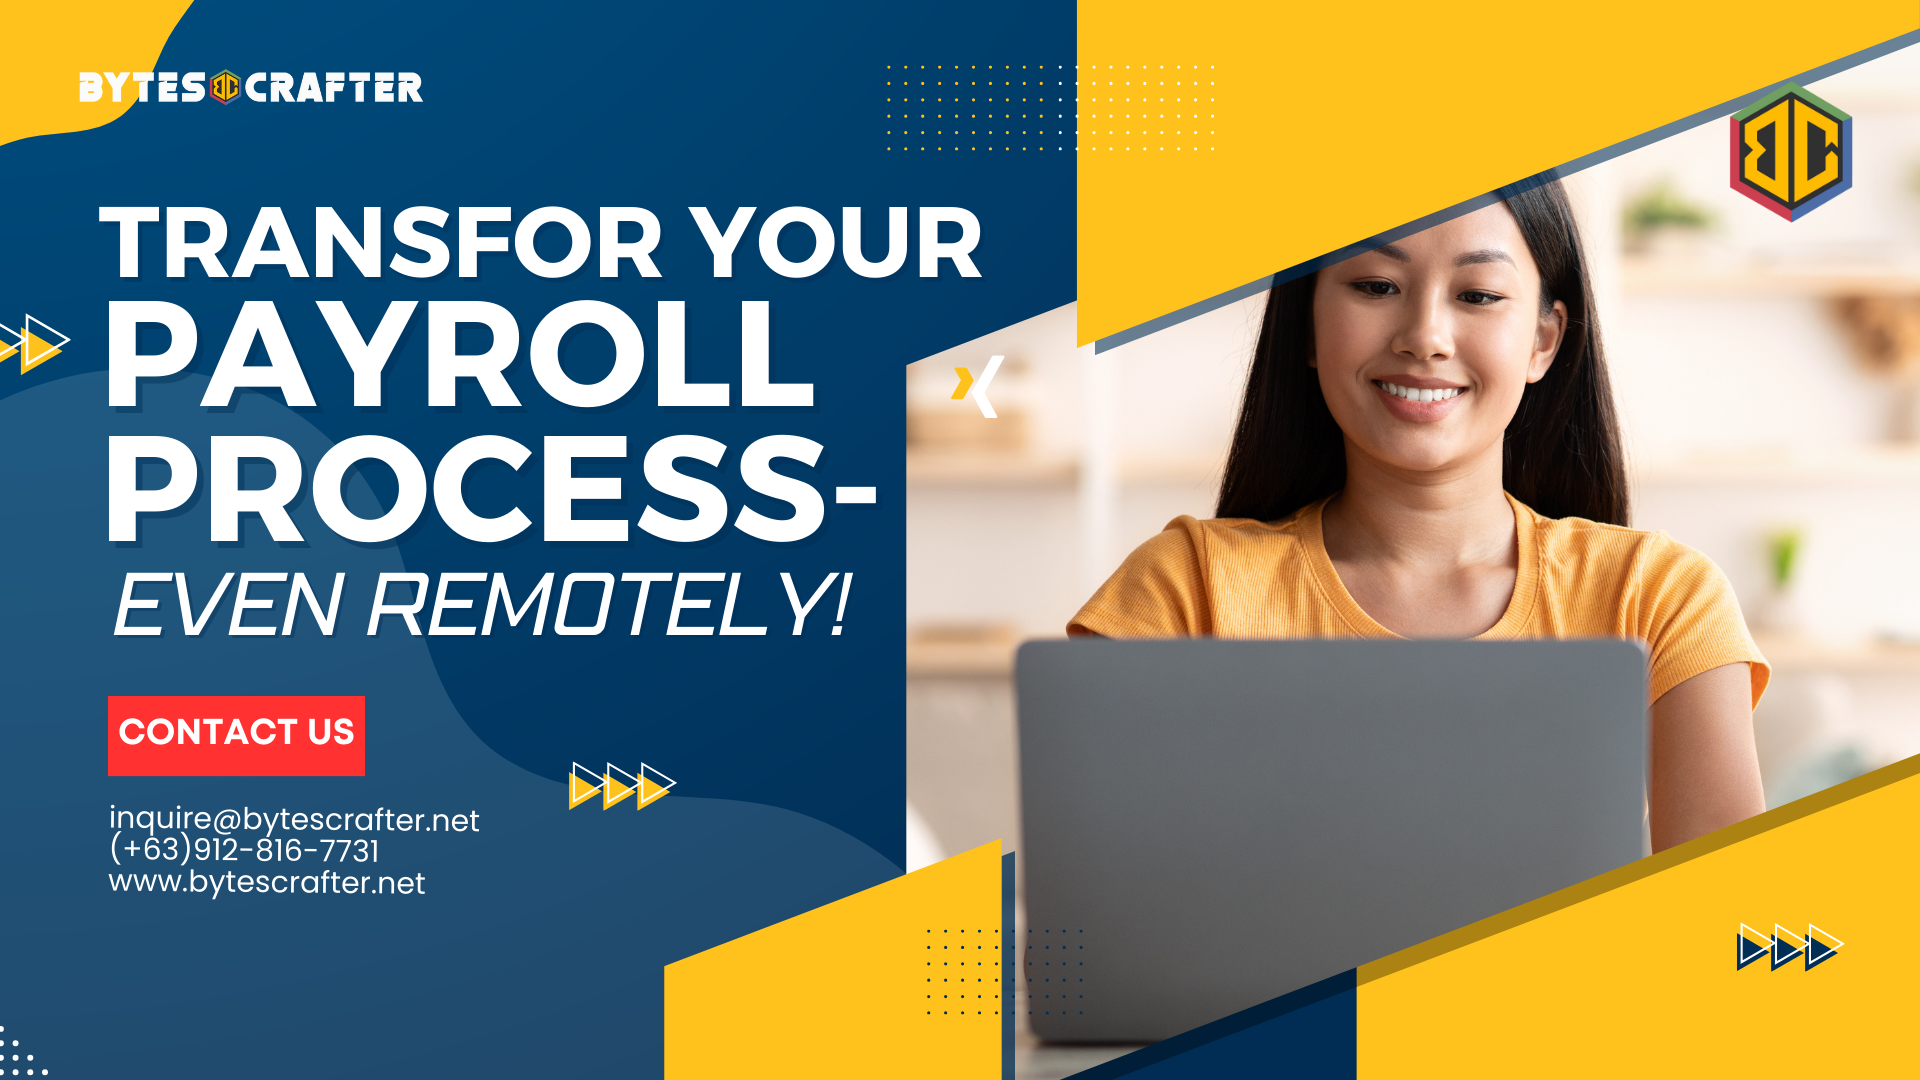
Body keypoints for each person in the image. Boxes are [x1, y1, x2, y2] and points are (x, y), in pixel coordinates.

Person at [1068, 179, 1766, 852]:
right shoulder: (1185, 591)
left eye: (1479, 295)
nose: (1425, 335)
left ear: (1543, 342)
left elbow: (1731, 937)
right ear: (1308, 326)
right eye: (1376, 287)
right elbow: (1094, 933)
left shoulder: (1658, 599)